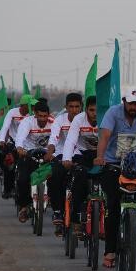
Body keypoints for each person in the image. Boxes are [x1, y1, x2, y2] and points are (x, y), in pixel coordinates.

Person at [93, 86, 136, 268]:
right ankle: (110, 251)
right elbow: (105, 136)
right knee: (113, 206)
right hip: (112, 163)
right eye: (130, 104)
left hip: (135, 162)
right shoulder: (113, 113)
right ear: (123, 102)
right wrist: (100, 157)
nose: (134, 108)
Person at [44, 93, 83, 233]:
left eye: (77, 107)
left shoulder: (84, 119)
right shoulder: (60, 120)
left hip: (79, 155)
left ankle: (82, 213)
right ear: (66, 107)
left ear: (81, 107)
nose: (74, 110)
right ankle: (58, 211)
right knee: (54, 176)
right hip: (60, 155)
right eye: (71, 107)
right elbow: (53, 138)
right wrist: (49, 153)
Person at [62, 95, 99, 238]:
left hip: (100, 156)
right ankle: (77, 218)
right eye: (91, 110)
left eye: (97, 110)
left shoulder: (106, 119)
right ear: (86, 110)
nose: (95, 113)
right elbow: (70, 140)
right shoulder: (78, 119)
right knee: (80, 178)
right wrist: (66, 158)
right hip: (82, 154)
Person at [15, 100, 54, 223]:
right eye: (40, 116)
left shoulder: (54, 123)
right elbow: (20, 137)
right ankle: (24, 207)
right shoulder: (27, 122)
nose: (43, 119)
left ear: (49, 114)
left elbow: (59, 138)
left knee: (57, 177)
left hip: (47, 154)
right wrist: (20, 148)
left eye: (45, 116)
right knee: (23, 179)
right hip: (29, 153)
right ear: (35, 114)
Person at [0, 94, 36, 198]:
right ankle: (7, 189)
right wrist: (1, 140)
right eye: (30, 105)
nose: (32, 108)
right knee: (9, 164)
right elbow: (5, 126)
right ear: (23, 105)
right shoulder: (12, 112)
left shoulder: (32, 115)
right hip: (13, 141)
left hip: (26, 144)